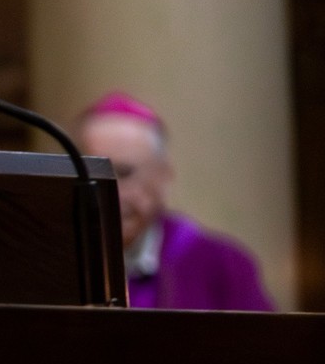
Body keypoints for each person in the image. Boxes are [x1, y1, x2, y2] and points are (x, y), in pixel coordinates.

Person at [77, 92, 273, 311]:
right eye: (92, 175)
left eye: (124, 173)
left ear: (164, 175)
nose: (109, 194)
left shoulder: (222, 266)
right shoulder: (57, 266)